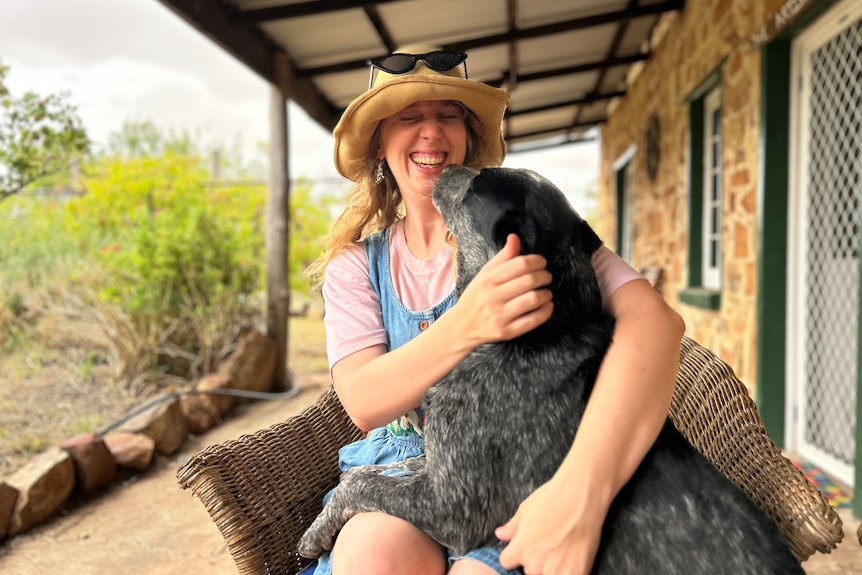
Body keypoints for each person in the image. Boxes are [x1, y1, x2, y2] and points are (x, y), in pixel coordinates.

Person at [305, 45, 685, 575]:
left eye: (449, 116)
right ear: (379, 145)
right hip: (401, 469)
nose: (432, 132)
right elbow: (364, 401)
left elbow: (657, 323)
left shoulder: (524, 221)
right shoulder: (357, 266)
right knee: (372, 559)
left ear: (469, 136)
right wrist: (468, 324)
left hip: (516, 467)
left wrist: (583, 488)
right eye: (409, 117)